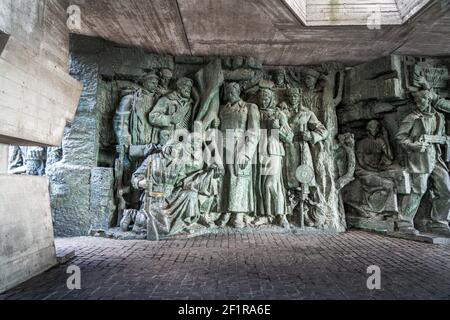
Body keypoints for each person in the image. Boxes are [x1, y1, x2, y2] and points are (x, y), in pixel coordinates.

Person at [396, 89, 450, 236]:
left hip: (436, 158)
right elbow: (400, 137)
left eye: (423, 100)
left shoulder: (440, 117)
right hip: (420, 158)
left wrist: (444, 140)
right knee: (418, 189)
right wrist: (414, 145)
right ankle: (405, 222)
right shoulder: (412, 118)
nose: (419, 104)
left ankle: (439, 222)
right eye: (417, 101)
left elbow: (443, 135)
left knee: (446, 188)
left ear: (429, 101)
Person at [218, 82, 260, 228]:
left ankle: (238, 214)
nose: (230, 93)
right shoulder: (222, 109)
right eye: (227, 91)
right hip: (224, 146)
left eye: (233, 90)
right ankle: (225, 210)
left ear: (238, 92)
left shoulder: (249, 107)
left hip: (240, 146)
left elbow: (254, 132)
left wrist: (247, 153)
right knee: (225, 179)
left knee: (240, 179)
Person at [257, 85, 292, 228]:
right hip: (259, 152)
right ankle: (267, 215)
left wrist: (276, 129)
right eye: (261, 98)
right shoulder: (256, 112)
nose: (264, 100)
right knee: (261, 186)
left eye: (266, 98)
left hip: (274, 151)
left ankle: (281, 214)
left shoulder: (279, 114)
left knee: (272, 184)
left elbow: (289, 137)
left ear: (271, 99)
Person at [149, 77, 195, 145]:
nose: (189, 89)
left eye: (190, 87)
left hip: (183, 141)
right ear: (179, 86)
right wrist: (170, 119)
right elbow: (152, 117)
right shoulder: (167, 99)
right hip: (168, 140)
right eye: (186, 85)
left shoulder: (190, 104)